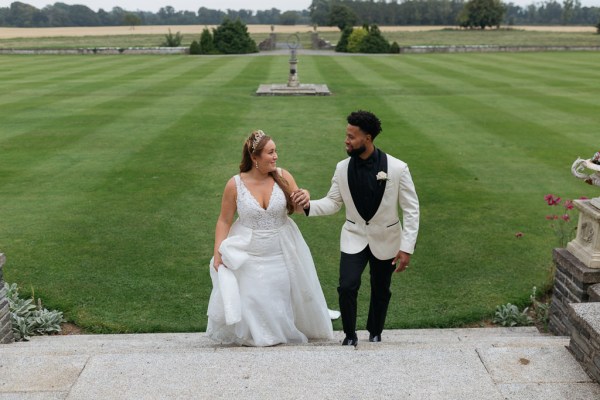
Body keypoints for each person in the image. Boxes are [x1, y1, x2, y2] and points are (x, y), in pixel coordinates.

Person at [292, 110, 420, 346]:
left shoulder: (398, 168)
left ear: (368, 138)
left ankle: (375, 330)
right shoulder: (341, 168)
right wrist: (308, 206)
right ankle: (349, 335)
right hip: (354, 236)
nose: (346, 140)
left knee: (381, 289)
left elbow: (411, 210)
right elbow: (333, 202)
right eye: (346, 135)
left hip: (387, 238)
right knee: (347, 286)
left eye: (351, 136)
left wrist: (407, 247)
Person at [206, 130, 336, 347]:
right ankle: (257, 334)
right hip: (248, 251)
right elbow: (224, 221)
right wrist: (217, 251)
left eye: (275, 151)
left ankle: (283, 330)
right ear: (255, 157)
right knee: (252, 298)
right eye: (270, 152)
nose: (276, 156)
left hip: (283, 247)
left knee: (281, 296)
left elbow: (299, 209)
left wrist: (304, 196)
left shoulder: (284, 176)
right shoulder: (234, 184)